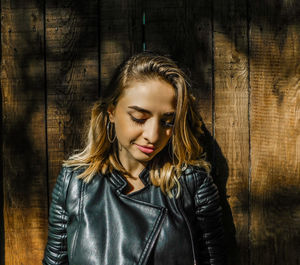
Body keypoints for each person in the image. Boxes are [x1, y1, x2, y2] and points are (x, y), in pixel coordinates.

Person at [43, 52, 226, 265]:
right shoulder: (74, 183)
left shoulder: (191, 184)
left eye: (168, 122)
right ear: (111, 112)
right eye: (139, 118)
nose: (153, 135)